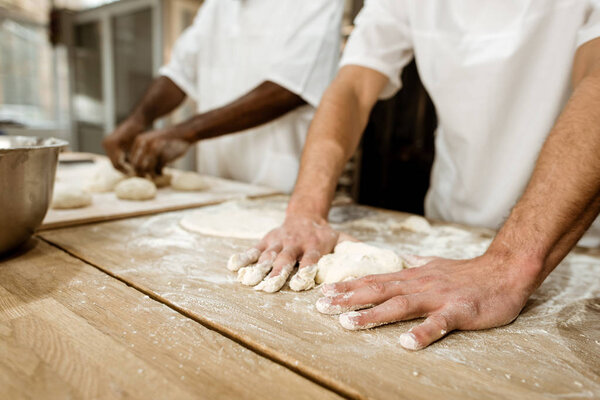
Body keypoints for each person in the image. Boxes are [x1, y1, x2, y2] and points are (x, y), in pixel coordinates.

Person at [229, 0, 600, 349]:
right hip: (448, 226)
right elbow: (354, 88)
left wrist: (510, 263)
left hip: (571, 243)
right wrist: (305, 211)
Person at [103, 0, 343, 193]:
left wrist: (185, 132)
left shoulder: (316, 4)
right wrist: (138, 119)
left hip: (280, 190)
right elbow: (179, 73)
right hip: (215, 187)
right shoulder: (216, 6)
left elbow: (288, 90)